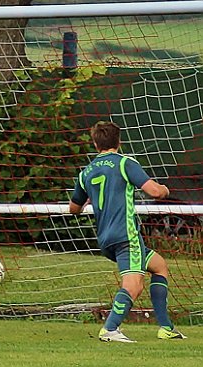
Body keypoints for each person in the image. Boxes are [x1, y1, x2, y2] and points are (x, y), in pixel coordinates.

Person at [69, 121, 186, 343]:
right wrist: (165, 188)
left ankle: (166, 327)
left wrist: (86, 201)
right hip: (126, 236)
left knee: (159, 266)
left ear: (95, 143)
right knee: (134, 285)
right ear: (119, 141)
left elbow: (73, 208)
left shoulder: (86, 172)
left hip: (105, 238)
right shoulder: (125, 163)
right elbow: (154, 192)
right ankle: (110, 328)